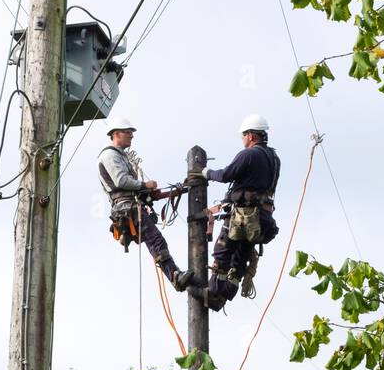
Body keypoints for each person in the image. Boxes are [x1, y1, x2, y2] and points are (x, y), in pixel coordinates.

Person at [98, 117, 194, 290]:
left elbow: (128, 186)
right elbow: (120, 181)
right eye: (128, 132)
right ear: (115, 134)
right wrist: (145, 185)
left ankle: (175, 276)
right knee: (156, 241)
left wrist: (149, 193)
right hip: (127, 208)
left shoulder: (121, 156)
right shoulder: (110, 155)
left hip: (132, 206)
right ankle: (175, 276)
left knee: (155, 241)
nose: (131, 136)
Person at [200, 113, 281, 310]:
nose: (243, 139)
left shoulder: (249, 154)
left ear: (251, 135)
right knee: (240, 257)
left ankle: (213, 293)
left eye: (244, 135)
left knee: (223, 252)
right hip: (262, 219)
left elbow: (227, 175)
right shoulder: (274, 158)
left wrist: (207, 173)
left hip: (243, 216)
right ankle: (225, 295)